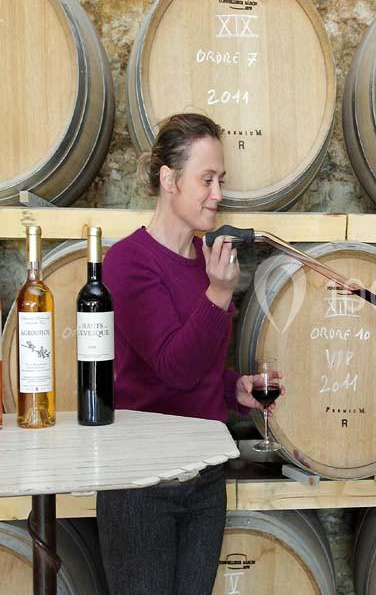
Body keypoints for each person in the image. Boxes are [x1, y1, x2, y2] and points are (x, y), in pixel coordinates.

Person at [96, 113, 277, 594]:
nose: (218, 193)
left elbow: (197, 372)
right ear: (168, 180)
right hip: (142, 485)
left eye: (222, 180)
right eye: (207, 179)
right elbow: (172, 368)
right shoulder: (128, 263)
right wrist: (218, 295)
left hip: (204, 476)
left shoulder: (207, 260)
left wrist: (232, 387)